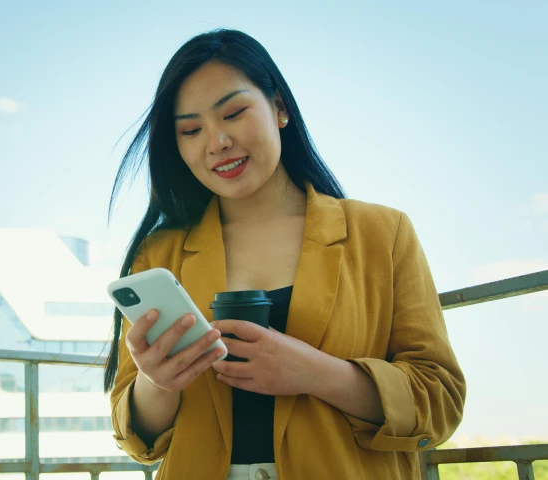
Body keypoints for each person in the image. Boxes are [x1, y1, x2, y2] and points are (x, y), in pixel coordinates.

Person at [103, 29, 466, 480]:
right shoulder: (158, 254)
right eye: (191, 130)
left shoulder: (383, 233)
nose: (216, 143)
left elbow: (440, 402)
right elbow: (135, 434)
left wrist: (318, 373)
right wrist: (156, 382)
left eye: (233, 113)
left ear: (280, 108)